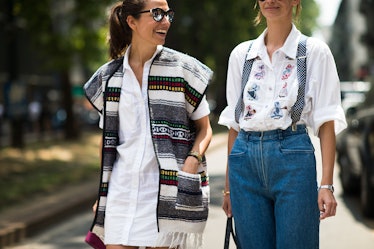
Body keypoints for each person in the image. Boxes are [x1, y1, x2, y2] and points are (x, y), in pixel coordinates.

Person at [83, 0, 213, 249]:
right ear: (131, 21)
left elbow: (205, 128)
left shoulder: (184, 70)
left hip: (165, 191)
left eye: (167, 14)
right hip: (122, 191)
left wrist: (191, 162)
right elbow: (108, 140)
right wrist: (102, 193)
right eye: (156, 14)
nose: (165, 21)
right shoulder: (109, 77)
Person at [218, 0, 347, 248]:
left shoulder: (314, 52)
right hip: (244, 161)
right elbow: (235, 124)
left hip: (293, 157)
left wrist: (327, 184)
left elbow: (326, 121)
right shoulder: (241, 55)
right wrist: (228, 189)